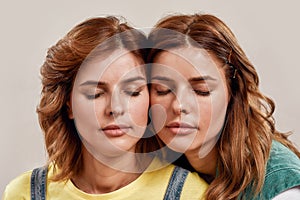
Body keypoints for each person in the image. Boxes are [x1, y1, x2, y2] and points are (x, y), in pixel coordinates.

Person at [2, 16, 208, 200]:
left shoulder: (190, 193)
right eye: (95, 94)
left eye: (133, 92)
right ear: (68, 104)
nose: (115, 109)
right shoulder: (25, 193)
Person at [147, 13, 300, 200]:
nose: (178, 105)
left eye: (201, 91)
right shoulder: (156, 164)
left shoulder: (280, 189)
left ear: (233, 93)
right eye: (162, 90)